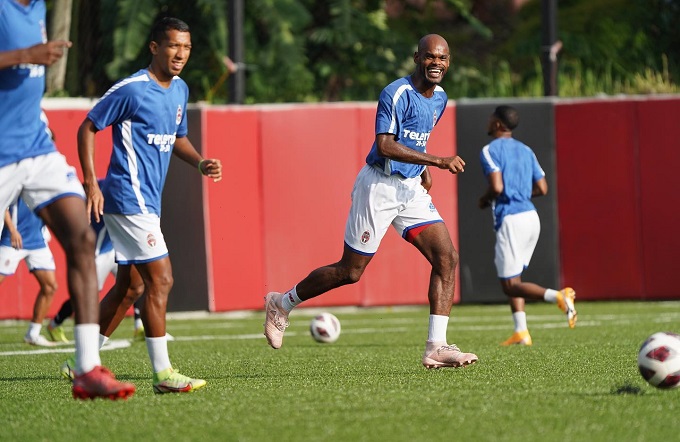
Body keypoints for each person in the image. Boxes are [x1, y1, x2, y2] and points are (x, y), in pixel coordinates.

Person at [264, 34, 478, 369]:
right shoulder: (396, 93)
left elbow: (415, 139)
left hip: (409, 188)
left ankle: (436, 347)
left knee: (447, 258)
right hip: (379, 186)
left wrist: (422, 169)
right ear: (417, 58)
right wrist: (437, 161)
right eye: (430, 56)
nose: (436, 63)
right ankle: (282, 303)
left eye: (443, 58)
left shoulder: (440, 97)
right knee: (350, 272)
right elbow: (385, 145)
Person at [74, 16, 222, 394]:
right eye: (173, 45)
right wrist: (91, 183)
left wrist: (200, 162)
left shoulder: (180, 89)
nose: (181, 54)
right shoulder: (133, 89)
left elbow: (177, 137)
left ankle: (81, 363)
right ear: (155, 47)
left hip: (147, 202)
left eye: (186, 47)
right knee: (162, 279)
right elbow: (88, 126)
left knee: (130, 287)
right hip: (128, 197)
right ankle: (163, 375)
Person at [0, 0, 135, 399]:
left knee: (82, 239)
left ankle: (87, 368)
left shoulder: (37, 8)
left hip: (36, 147)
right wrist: (26, 55)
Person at [478, 105, 577, 346]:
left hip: (511, 219)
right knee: (516, 278)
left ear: (498, 124)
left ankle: (559, 296)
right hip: (531, 217)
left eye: (491, 118)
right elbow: (542, 188)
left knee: (510, 286)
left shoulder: (490, 150)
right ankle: (521, 331)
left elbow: (497, 187)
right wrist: (521, 194)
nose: (488, 122)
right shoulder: (526, 150)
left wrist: (484, 199)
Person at [0, 198, 58, 347]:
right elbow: (3, 203)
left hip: (37, 240)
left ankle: (33, 334)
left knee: (50, 286)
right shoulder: (17, 183)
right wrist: (12, 230)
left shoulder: (46, 186)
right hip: (13, 239)